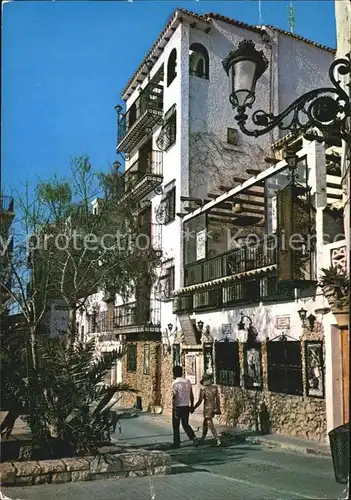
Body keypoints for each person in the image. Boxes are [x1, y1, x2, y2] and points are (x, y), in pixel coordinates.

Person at [172, 365, 198, 448]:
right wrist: (192, 406)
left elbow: (174, 395)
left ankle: (177, 443)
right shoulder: (187, 381)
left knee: (176, 425)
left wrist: (173, 405)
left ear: (174, 373)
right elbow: (191, 395)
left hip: (178, 406)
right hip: (186, 406)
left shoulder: (175, 383)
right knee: (185, 424)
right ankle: (193, 438)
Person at [192, 374, 222, 446]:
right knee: (205, 422)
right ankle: (202, 438)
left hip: (207, 408)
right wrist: (218, 407)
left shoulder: (203, 389)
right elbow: (218, 400)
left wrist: (194, 407)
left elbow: (200, 400)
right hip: (213, 407)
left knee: (209, 423)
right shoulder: (215, 388)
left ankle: (217, 439)